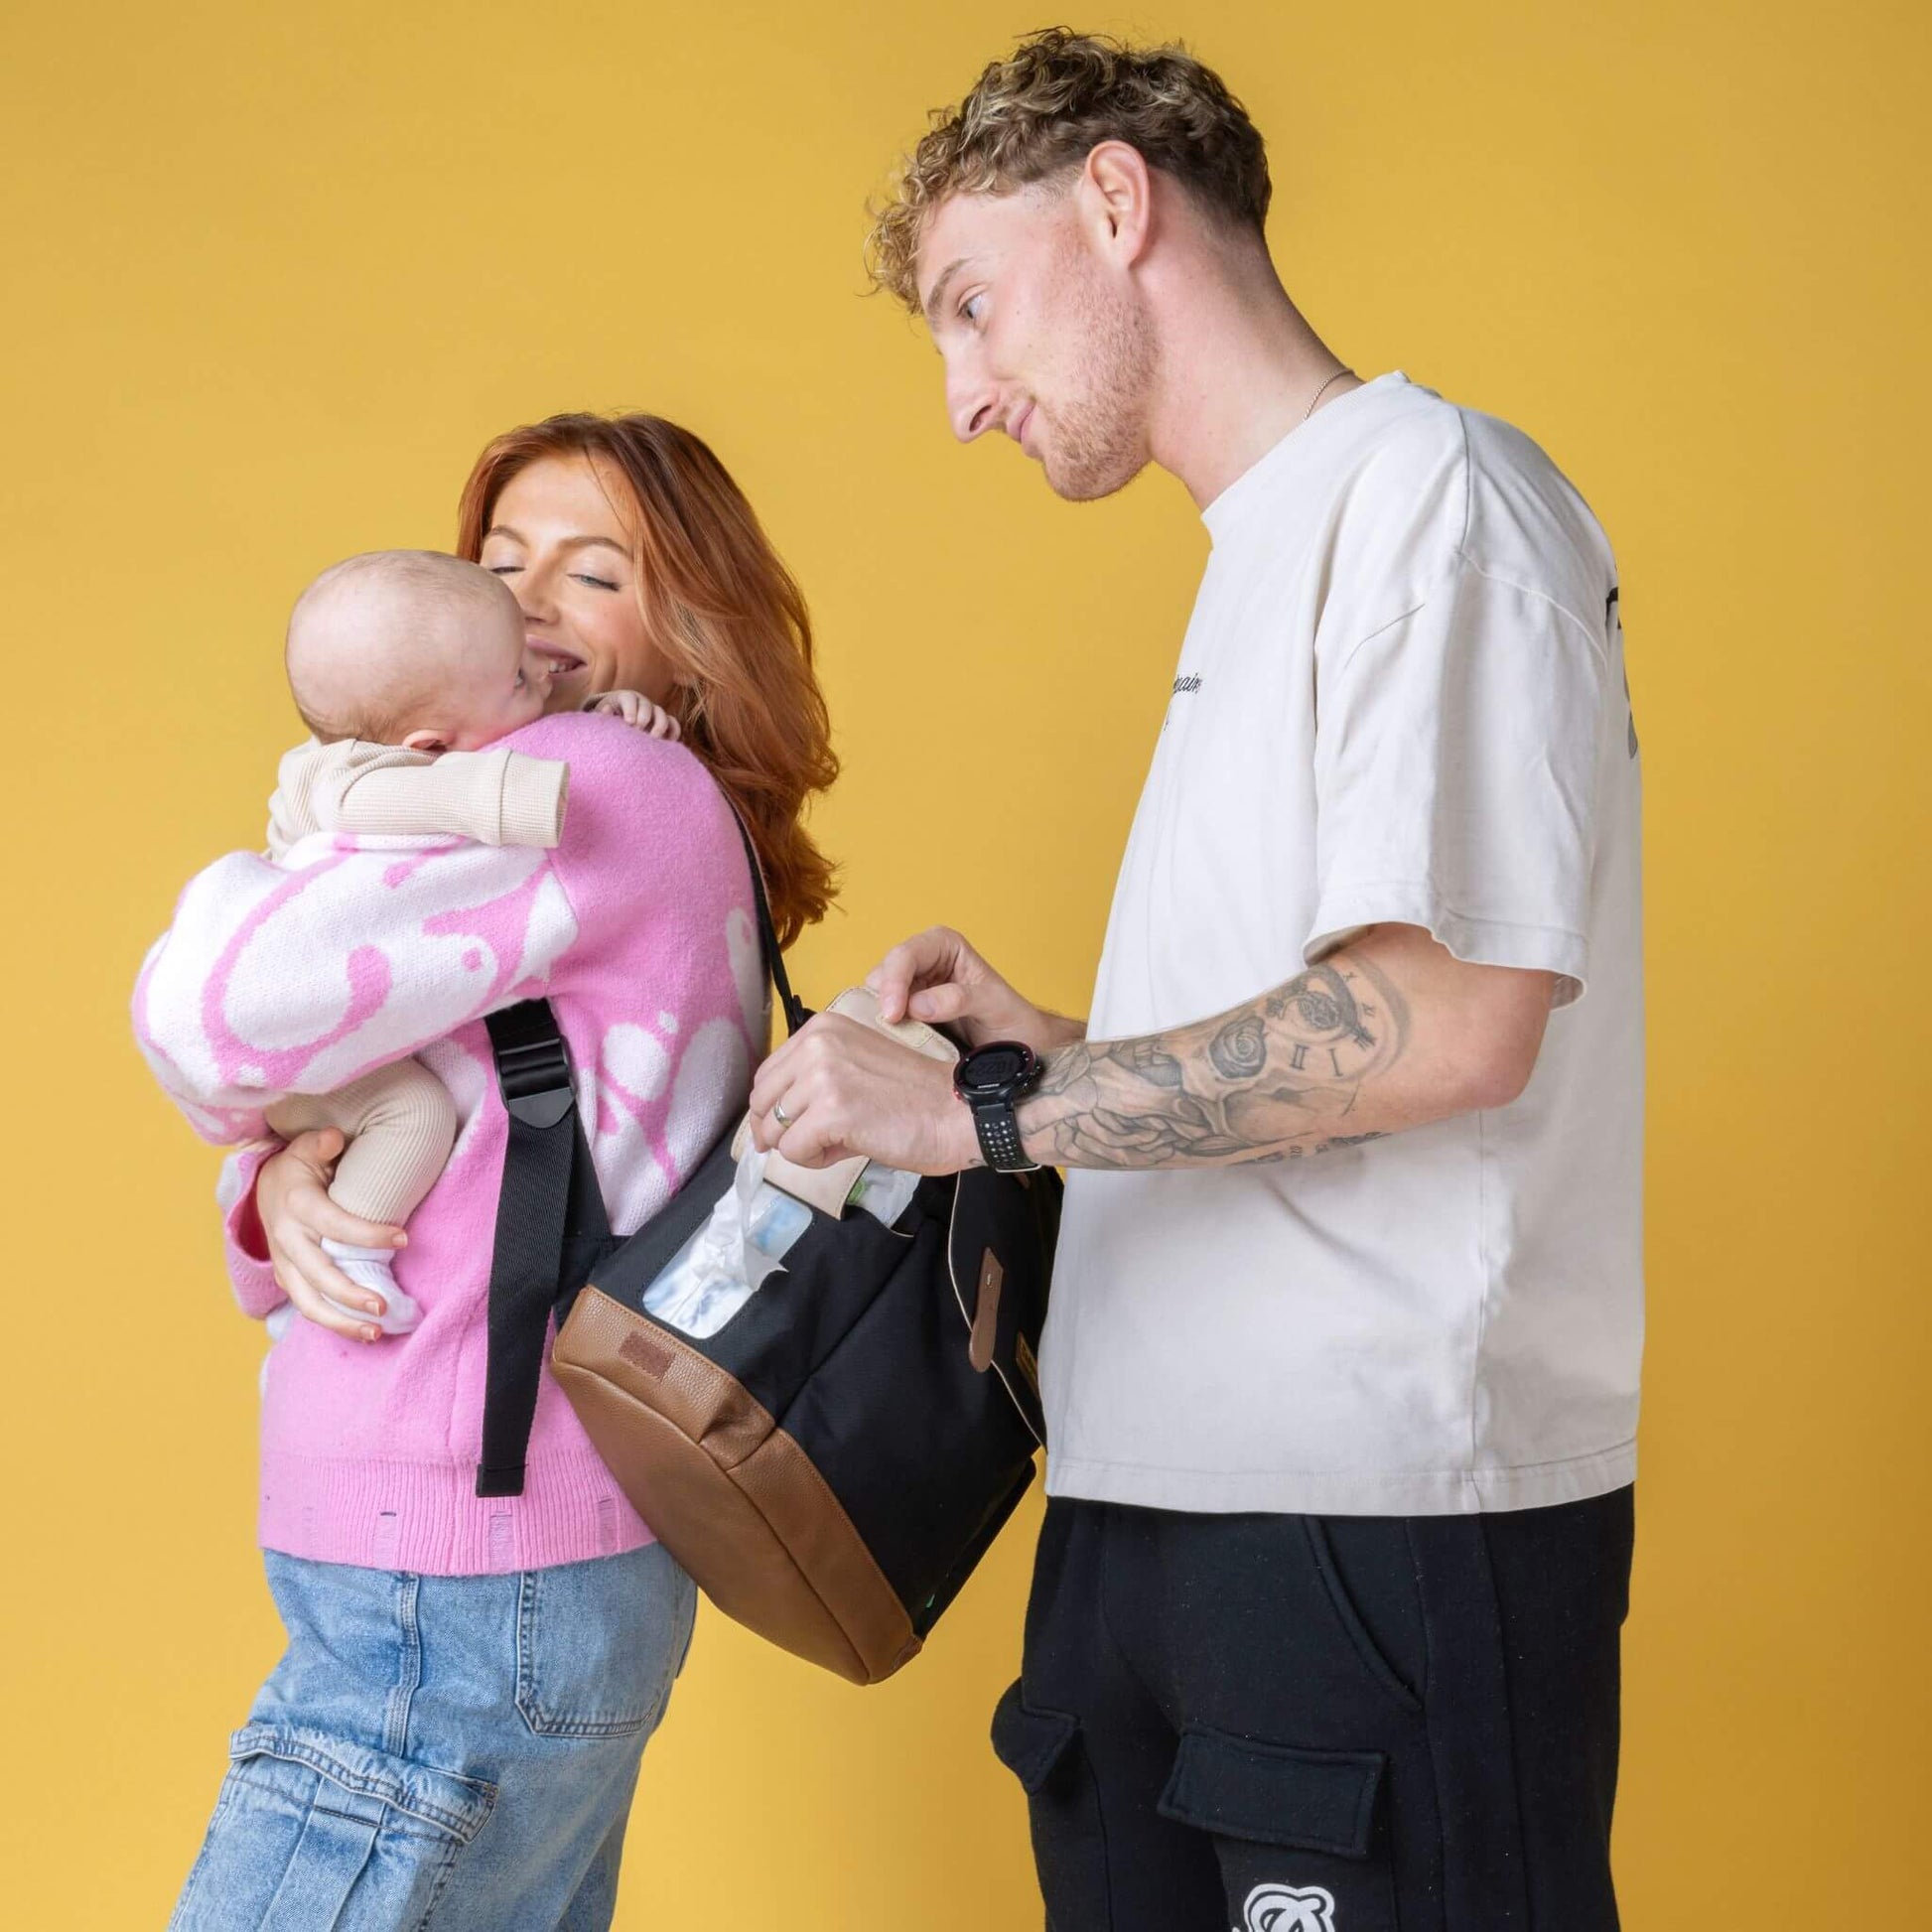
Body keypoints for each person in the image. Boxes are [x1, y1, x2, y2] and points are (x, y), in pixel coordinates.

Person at [751, 30, 1641, 1931]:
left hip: (1380, 1514)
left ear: (1116, 198)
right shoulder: (1255, 555)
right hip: (1146, 1506)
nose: (960, 397)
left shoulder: (1434, 500)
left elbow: (1447, 1021)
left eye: (971, 309)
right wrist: (1051, 1044)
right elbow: (1334, 1021)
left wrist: (984, 1109)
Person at [142, 413, 837, 1930]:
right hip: (541, 1553)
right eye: (499, 563)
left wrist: (246, 878)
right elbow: (475, 1108)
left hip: (453, 1559)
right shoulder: (633, 809)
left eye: (594, 574)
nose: (527, 607)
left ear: (689, 632)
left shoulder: (583, 783)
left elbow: (212, 1007)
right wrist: (287, 1183)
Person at [140, 546, 680, 1336]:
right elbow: (490, 792)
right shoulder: (355, 784)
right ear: (429, 745)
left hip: (320, 1058)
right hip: (299, 1053)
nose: (535, 645)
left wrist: (601, 720)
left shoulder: (447, 735)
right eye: (500, 568)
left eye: (594, 575)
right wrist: (564, 769)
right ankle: (336, 1272)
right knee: (413, 1113)